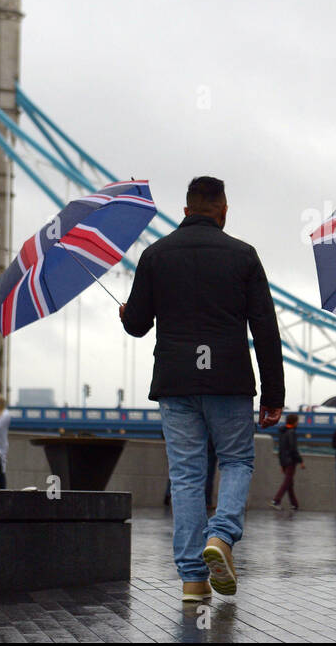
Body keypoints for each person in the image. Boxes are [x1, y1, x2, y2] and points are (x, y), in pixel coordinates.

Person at [120, 175, 284, 603]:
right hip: (228, 378)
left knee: (187, 475)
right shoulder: (243, 255)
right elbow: (265, 329)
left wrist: (125, 314)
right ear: (224, 211)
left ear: (186, 210)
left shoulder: (155, 255)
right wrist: (273, 395)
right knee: (236, 460)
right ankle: (222, 537)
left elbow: (138, 324)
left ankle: (193, 580)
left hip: (176, 381)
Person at [271, 414, 304, 510]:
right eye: (297, 421)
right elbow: (293, 448)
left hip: (284, 460)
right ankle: (276, 500)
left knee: (289, 482)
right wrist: (300, 461)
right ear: (294, 422)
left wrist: (281, 463)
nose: (298, 423)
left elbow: (281, 449)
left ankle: (294, 504)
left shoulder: (282, 432)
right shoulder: (291, 432)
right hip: (290, 461)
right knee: (287, 482)